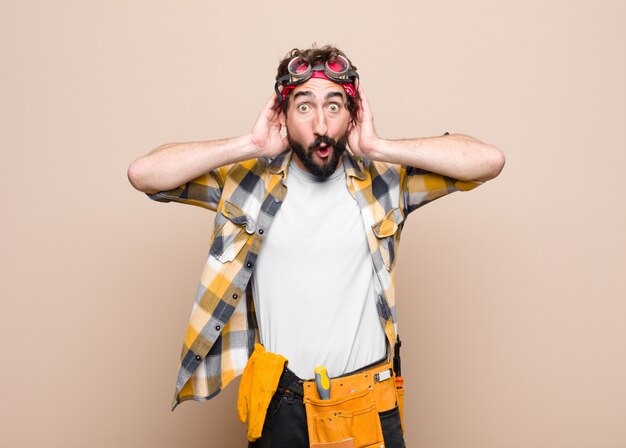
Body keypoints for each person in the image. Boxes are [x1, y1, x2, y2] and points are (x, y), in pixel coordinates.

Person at [128, 44, 505, 448]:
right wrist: (250, 145)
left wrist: (380, 147)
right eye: (304, 107)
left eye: (334, 105)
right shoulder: (245, 181)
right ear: (283, 116)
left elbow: (488, 161)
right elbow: (144, 174)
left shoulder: (387, 181)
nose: (321, 125)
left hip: (365, 401)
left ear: (352, 114)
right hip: (278, 401)